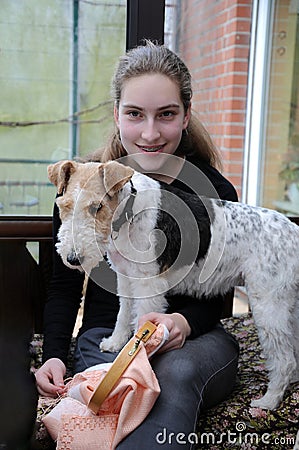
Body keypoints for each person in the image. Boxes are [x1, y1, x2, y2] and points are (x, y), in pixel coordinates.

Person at [35, 40, 239, 449]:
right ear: (116, 115)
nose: (150, 133)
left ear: (185, 116)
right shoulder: (81, 185)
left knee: (175, 372)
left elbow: (218, 292)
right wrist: (54, 354)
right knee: (126, 377)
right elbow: (62, 286)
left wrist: (182, 324)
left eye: (166, 114)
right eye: (134, 114)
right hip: (110, 336)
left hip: (196, 341)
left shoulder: (214, 192)